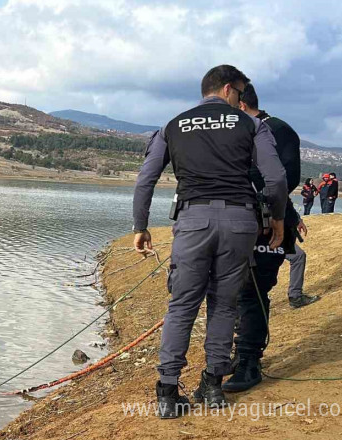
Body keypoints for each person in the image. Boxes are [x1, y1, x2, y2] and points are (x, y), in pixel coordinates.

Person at [132, 65, 287, 418]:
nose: (242, 99)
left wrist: (141, 226)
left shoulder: (173, 125)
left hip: (193, 221)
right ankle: (214, 386)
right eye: (241, 93)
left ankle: (168, 393)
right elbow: (275, 176)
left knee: (183, 304)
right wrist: (277, 218)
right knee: (224, 304)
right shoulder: (252, 124)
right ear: (228, 89)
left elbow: (145, 181)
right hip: (239, 222)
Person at [222, 83, 313, 393]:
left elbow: (285, 179)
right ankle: (237, 355)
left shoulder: (279, 130)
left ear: (241, 103)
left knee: (253, 291)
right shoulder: (237, 133)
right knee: (233, 293)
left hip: (269, 225)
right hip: (235, 224)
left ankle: (249, 361)